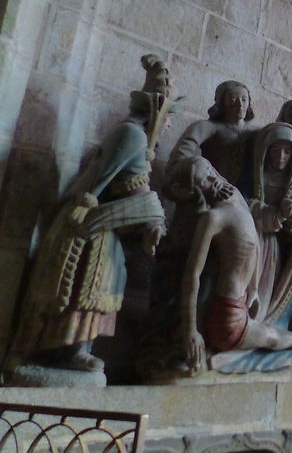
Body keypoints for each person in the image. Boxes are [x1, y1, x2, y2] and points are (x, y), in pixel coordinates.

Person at [13, 55, 175, 372]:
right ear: (156, 110)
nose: (169, 123)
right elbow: (134, 188)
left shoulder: (137, 139)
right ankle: (65, 352)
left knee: (102, 284)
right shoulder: (132, 136)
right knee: (84, 286)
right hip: (89, 225)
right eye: (169, 115)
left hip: (102, 225)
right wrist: (155, 219)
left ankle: (76, 349)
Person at [172, 157, 292, 375]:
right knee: (271, 338)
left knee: (269, 336)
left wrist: (253, 290)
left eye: (210, 170)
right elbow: (192, 274)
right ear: (197, 191)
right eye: (204, 181)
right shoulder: (214, 218)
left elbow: (253, 241)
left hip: (240, 302)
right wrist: (190, 330)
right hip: (226, 316)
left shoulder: (236, 198)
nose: (213, 180)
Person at [239, 122, 292, 324]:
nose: (280, 157)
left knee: (263, 294)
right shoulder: (254, 173)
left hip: (271, 248)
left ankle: (258, 327)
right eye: (275, 150)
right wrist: (264, 212)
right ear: (265, 150)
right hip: (248, 238)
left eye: (287, 152)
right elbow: (237, 200)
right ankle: (237, 328)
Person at [168, 80, 254, 186]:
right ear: (222, 102)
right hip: (213, 187)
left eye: (244, 100)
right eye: (232, 99)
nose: (240, 104)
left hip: (245, 195)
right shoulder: (206, 127)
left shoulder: (256, 133)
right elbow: (179, 159)